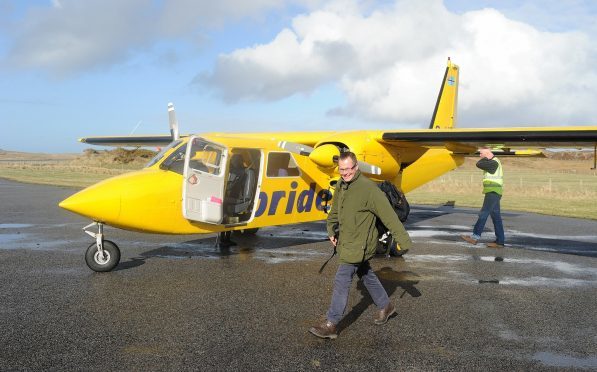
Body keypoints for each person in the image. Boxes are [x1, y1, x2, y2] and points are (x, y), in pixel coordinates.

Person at [309, 152, 412, 339]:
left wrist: (403, 241)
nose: (345, 173)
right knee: (365, 273)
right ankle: (386, 306)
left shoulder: (369, 190)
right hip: (347, 240)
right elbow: (335, 211)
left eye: (349, 169)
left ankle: (331, 323)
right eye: (342, 170)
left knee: (342, 279)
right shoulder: (341, 185)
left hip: (361, 243)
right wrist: (331, 230)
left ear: (356, 167)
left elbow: (389, 216)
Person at [461, 147, 505, 248]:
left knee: (483, 214)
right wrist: (486, 155)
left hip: (493, 192)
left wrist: (487, 156)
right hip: (494, 192)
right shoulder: (493, 162)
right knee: (496, 217)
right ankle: (500, 242)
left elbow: (478, 164)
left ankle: (474, 237)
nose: (479, 155)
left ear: (487, 152)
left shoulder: (494, 163)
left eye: (481, 153)